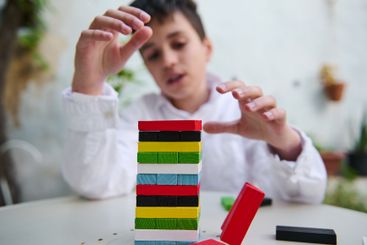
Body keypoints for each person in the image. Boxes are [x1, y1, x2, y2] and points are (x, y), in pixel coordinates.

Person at [62, 0, 327, 203]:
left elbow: (307, 197)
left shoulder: (247, 110)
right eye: (153, 55)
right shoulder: (140, 116)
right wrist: (89, 83)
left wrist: (284, 143)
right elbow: (95, 183)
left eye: (178, 44)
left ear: (207, 48)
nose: (167, 61)